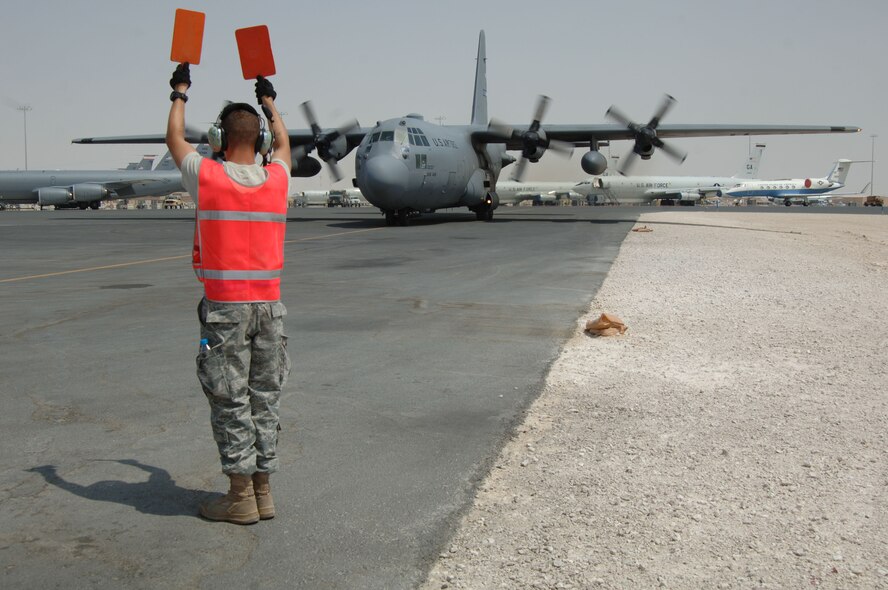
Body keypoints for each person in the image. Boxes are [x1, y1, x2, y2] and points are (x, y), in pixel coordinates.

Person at [165, 62, 292, 525]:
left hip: (225, 310)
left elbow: (174, 139)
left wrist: (180, 91)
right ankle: (263, 491)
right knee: (265, 396)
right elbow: (283, 145)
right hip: (270, 309)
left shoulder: (209, 178)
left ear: (218, 140)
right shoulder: (277, 180)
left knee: (230, 398)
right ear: (258, 141)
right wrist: (269, 101)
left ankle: (239, 497)